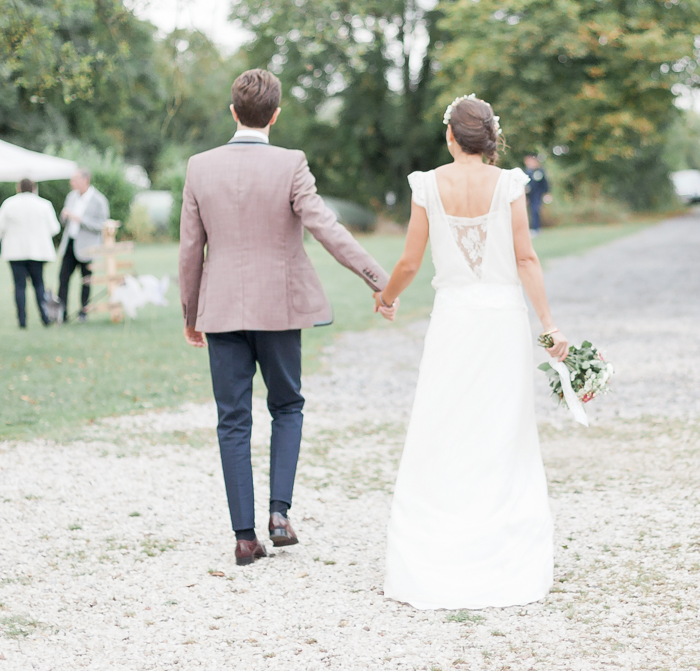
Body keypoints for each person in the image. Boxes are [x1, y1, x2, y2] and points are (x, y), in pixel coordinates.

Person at [179, 68, 391, 567]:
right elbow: (326, 227)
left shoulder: (199, 167)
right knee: (287, 407)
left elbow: (191, 249)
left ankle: (244, 538)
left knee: (232, 420)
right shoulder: (291, 164)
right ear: (275, 115)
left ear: (233, 112)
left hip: (222, 311)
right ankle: (280, 514)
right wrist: (379, 278)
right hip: (280, 308)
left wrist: (192, 314)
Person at [375, 94, 570, 610]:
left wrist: (387, 296)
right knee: (502, 430)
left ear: (450, 136)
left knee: (445, 426)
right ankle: (499, 548)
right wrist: (549, 327)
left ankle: (441, 544)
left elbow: (410, 262)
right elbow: (526, 259)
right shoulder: (508, 184)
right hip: (502, 320)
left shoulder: (426, 184)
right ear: (491, 139)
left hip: (455, 321)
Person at [0, 178, 60, 329]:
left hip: (15, 251)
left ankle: (22, 321)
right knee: (39, 284)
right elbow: (54, 229)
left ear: (18, 188)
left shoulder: (9, 204)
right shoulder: (44, 204)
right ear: (34, 188)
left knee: (19, 286)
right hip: (38, 252)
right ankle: (45, 318)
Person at [57, 169, 109, 323]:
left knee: (86, 281)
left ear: (85, 180)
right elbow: (64, 221)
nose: (71, 183)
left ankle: (83, 313)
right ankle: (62, 313)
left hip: (87, 247)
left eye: (74, 180)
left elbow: (102, 224)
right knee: (63, 278)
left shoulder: (98, 200)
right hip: (70, 243)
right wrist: (65, 216)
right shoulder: (71, 196)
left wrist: (80, 219)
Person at [523, 154, 551, 235]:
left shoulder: (539, 171)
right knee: (531, 211)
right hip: (530, 195)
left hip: (538, 194)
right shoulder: (527, 172)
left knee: (536, 210)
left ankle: (536, 228)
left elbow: (545, 183)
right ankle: (533, 228)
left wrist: (547, 193)